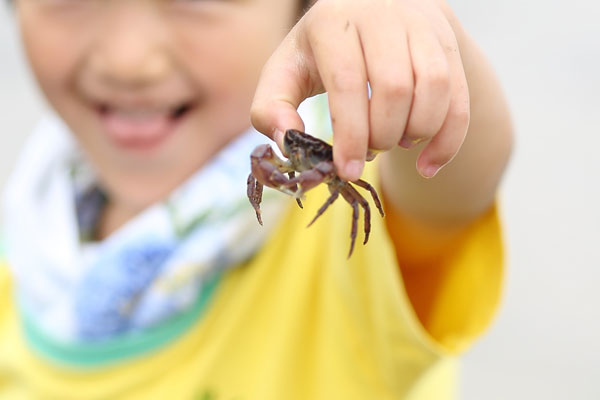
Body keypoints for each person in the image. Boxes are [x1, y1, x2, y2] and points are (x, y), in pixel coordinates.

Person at [0, 0, 512, 398]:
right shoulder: (19, 249)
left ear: (301, 10)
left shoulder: (350, 255)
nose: (129, 60)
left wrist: (407, 32)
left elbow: (449, 188)